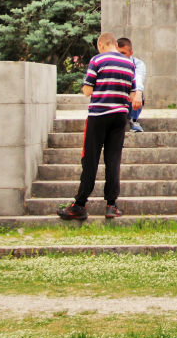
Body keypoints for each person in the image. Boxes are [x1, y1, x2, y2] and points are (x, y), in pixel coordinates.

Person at [57, 32, 138, 221]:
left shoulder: (98, 60)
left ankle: (80, 205)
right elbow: (133, 94)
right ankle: (111, 205)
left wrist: (98, 89)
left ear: (101, 45)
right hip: (120, 117)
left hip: (99, 116)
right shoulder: (129, 63)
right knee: (113, 160)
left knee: (90, 160)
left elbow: (87, 90)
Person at [117, 37, 146, 132]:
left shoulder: (138, 64)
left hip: (129, 97)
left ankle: (133, 120)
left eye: (123, 53)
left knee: (138, 92)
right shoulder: (111, 63)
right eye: (118, 53)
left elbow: (139, 78)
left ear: (131, 53)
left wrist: (138, 94)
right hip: (114, 99)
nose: (120, 56)